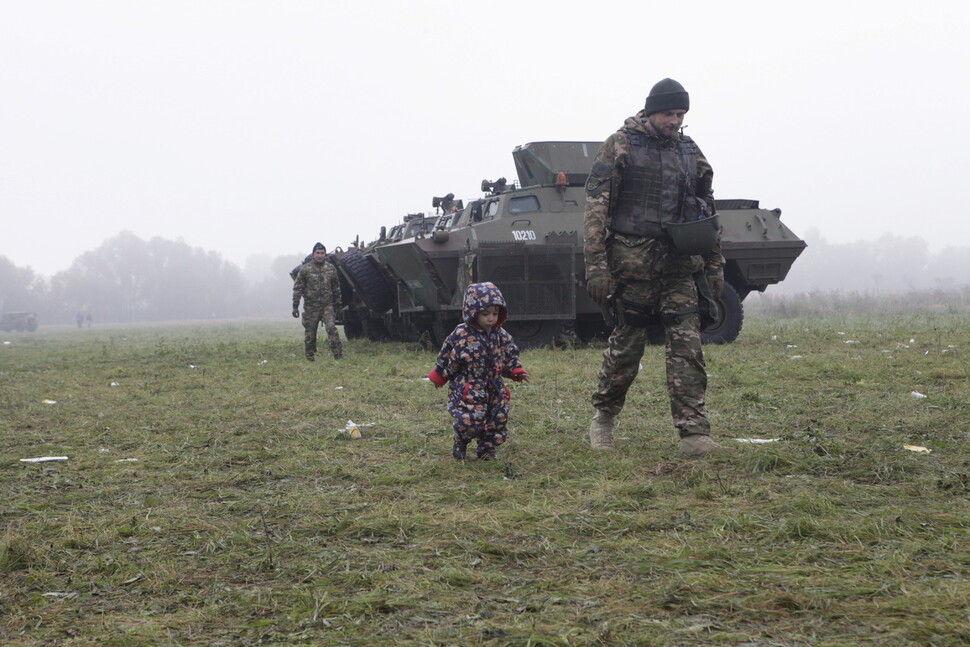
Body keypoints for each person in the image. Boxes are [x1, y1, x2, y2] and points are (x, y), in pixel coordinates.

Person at [583, 78, 726, 458]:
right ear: (651, 111)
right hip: (632, 267)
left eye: (681, 114)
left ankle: (693, 433)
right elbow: (597, 209)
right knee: (626, 349)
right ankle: (604, 419)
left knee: (687, 349)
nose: (675, 121)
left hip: (680, 267)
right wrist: (596, 266)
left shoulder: (689, 150)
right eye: (669, 113)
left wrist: (714, 263)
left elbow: (706, 209)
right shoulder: (620, 144)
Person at [427, 282, 529, 460]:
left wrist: (515, 370)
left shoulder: (500, 335)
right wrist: (440, 375)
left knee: (497, 418)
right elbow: (447, 353)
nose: (491, 319)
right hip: (470, 386)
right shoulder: (461, 334)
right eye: (485, 314)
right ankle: (461, 440)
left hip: (494, 386)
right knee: (471, 418)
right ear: (472, 312)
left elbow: (510, 354)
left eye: (495, 314)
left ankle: (487, 449)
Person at [292, 242, 343, 361]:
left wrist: (339, 305)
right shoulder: (306, 269)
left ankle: (338, 355)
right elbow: (298, 288)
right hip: (311, 307)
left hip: (327, 305)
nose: (320, 255)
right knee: (310, 333)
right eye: (317, 253)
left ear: (325, 254)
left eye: (322, 253)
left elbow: (336, 287)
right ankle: (310, 357)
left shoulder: (330, 268)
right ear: (313, 254)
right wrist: (295, 306)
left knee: (332, 329)